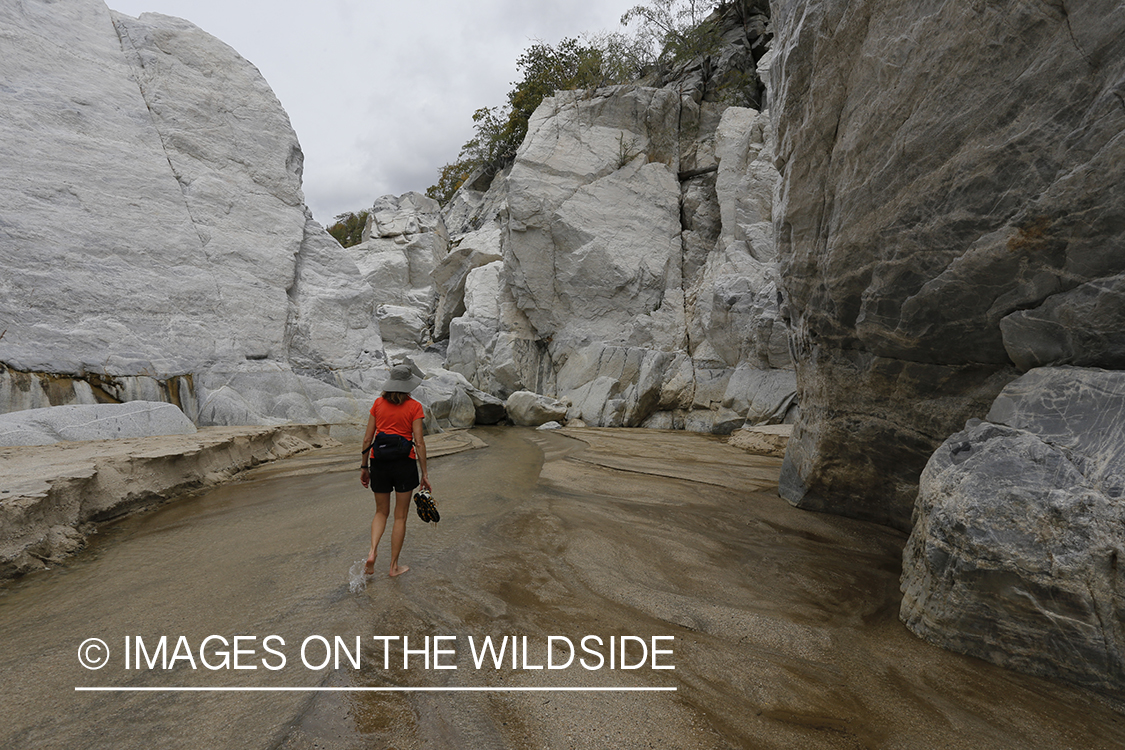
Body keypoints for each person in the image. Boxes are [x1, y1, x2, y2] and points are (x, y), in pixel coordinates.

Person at [360, 364, 431, 578]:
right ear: (408, 384)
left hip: (379, 462)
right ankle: (393, 567)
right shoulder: (414, 407)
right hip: (404, 464)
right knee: (400, 517)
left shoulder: (378, 404)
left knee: (381, 512)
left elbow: (367, 439)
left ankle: (372, 552)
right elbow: (418, 442)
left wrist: (364, 467)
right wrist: (425, 474)